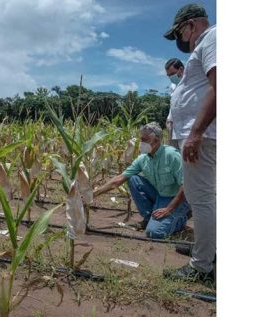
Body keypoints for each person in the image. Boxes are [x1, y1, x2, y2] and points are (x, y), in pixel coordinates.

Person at [162, 3, 217, 283]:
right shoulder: (207, 44)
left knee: (202, 200)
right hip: (200, 135)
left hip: (203, 136)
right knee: (204, 199)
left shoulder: (213, 38)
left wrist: (195, 133)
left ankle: (202, 266)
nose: (181, 41)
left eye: (180, 34)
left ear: (191, 25)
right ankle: (207, 250)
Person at [93, 122, 190, 239]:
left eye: (145, 140)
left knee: (154, 233)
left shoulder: (172, 156)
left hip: (176, 199)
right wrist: (94, 193)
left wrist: (169, 209)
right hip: (160, 195)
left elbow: (186, 185)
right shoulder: (143, 159)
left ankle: (182, 216)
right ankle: (150, 217)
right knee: (133, 179)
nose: (141, 143)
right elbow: (119, 179)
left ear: (156, 140)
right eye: (141, 139)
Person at [164, 58, 185, 149]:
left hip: (186, 126)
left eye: (172, 74)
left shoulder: (191, 82)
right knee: (173, 152)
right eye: (168, 75)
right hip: (173, 124)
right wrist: (169, 119)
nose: (170, 77)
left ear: (181, 69)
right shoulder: (173, 86)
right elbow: (173, 103)